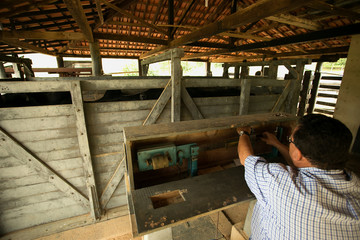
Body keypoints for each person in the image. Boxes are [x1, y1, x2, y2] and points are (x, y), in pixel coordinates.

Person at [237, 114, 360, 240]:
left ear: (298, 154)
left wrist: (243, 132)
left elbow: (246, 158)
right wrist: (277, 144)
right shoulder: (355, 185)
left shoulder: (278, 182)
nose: (289, 141)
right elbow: (302, 163)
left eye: (290, 140)